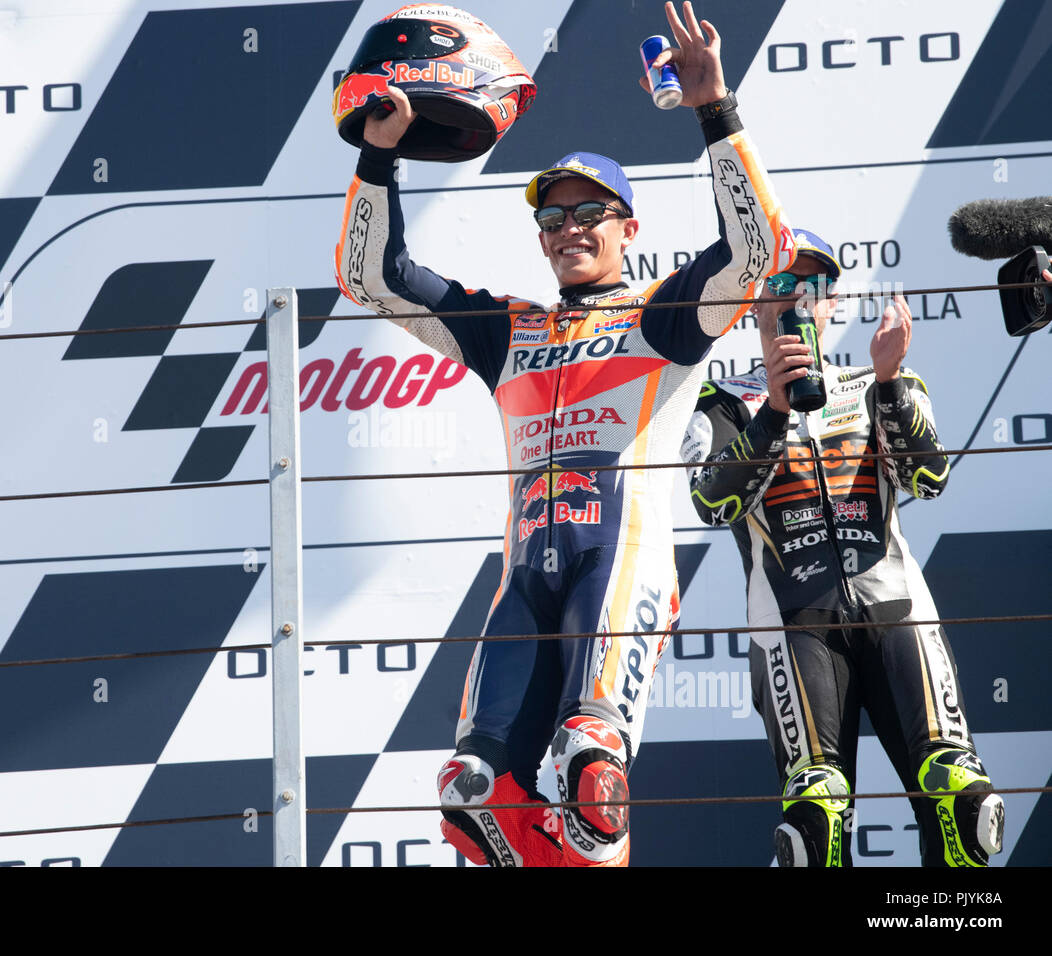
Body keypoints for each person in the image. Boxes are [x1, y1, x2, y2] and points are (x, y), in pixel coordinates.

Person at [334, 1, 794, 867]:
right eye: (552, 218)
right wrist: (379, 151)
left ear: (629, 228)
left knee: (591, 765)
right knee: (469, 793)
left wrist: (715, 110)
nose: (569, 228)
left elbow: (760, 249)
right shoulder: (509, 332)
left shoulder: (666, 319)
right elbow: (371, 278)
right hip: (525, 580)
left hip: (615, 568)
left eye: (591, 213)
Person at [680, 230, 1005, 866]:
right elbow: (713, 503)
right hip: (793, 627)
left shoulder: (877, 381)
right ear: (753, 302)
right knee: (814, 821)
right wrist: (772, 412)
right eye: (780, 283)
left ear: (832, 304)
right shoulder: (720, 403)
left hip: (897, 611)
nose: (797, 298)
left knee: (961, 802)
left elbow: (927, 479)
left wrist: (887, 385)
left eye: (814, 286)